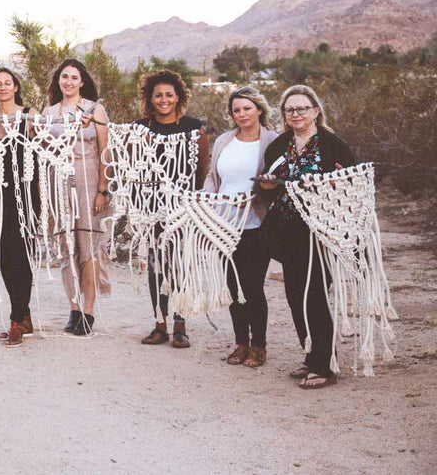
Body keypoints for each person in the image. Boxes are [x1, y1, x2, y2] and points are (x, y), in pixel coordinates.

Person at [257, 84, 355, 390]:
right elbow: (264, 187)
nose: (295, 114)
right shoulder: (279, 146)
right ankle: (311, 354)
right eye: (290, 109)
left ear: (315, 111)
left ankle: (325, 366)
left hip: (319, 232)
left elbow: (351, 184)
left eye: (301, 108)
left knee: (313, 296)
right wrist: (267, 186)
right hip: (286, 232)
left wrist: (339, 183)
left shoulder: (332, 145)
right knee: (295, 296)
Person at [203, 86, 278, 368]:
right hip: (225, 225)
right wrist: (208, 198)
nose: (242, 114)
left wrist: (257, 195)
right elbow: (213, 176)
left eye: (247, 108)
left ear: (259, 109)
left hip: (256, 223)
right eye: (236, 110)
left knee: (253, 286)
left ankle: (259, 345)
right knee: (234, 288)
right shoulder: (224, 140)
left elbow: (274, 181)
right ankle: (241, 343)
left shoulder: (272, 141)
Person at [135, 69, 209, 348]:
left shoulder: (194, 128)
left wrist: (193, 202)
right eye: (158, 95)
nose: (163, 100)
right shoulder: (141, 128)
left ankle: (180, 324)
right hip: (152, 205)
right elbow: (132, 165)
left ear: (178, 96)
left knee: (180, 265)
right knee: (156, 266)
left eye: (169, 94)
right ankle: (159, 324)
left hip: (182, 206)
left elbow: (202, 169)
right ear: (150, 99)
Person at [42, 59, 112, 338]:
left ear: (82, 82)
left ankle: (89, 310)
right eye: (64, 77)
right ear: (58, 81)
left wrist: (102, 189)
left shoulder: (95, 109)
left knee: (88, 247)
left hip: (88, 181)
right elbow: (44, 147)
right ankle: (73, 306)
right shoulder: (49, 112)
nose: (68, 82)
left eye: (74, 77)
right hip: (58, 183)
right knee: (66, 246)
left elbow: (106, 152)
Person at [0, 68, 39, 347]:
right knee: (5, 255)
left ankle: (17, 320)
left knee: (22, 255)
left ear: (16, 87)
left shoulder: (29, 117)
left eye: (8, 83)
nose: (3, 87)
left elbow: (45, 148)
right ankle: (23, 315)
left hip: (25, 197)